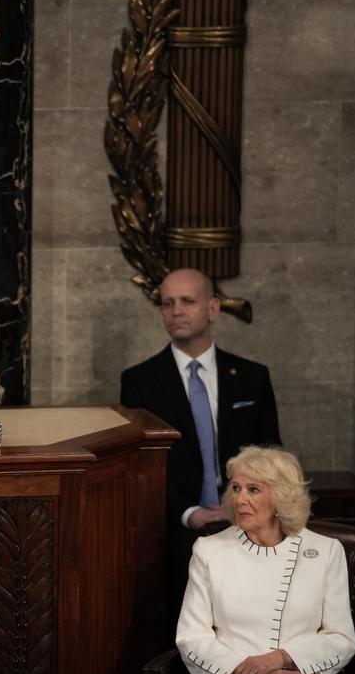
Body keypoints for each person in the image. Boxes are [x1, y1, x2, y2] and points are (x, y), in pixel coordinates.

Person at [120, 267, 281, 636]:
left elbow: (272, 456)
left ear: (213, 309)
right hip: (176, 534)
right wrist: (189, 514)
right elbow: (140, 467)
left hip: (248, 529)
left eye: (187, 301)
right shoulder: (140, 381)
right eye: (167, 303)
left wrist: (248, 509)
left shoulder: (252, 376)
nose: (176, 310)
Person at [176, 447, 355, 674]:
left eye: (253, 490)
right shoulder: (208, 550)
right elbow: (191, 638)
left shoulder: (326, 551)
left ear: (281, 497)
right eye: (236, 488)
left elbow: (342, 640)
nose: (240, 499)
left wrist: (280, 658)